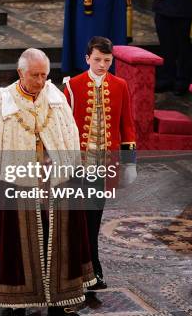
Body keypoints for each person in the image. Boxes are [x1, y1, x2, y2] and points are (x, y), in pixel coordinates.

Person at [0, 49, 95, 316]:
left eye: (45, 75)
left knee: (56, 242)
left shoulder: (56, 98)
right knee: (16, 245)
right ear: (21, 72)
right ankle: (16, 302)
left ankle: (58, 299)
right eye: (35, 75)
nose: (41, 81)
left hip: (53, 186)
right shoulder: (1, 102)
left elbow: (68, 138)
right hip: (15, 187)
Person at [63, 37, 137, 291]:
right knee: (76, 219)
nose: (102, 64)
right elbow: (64, 128)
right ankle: (74, 270)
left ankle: (94, 269)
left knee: (94, 220)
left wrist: (129, 163)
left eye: (107, 60)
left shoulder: (120, 85)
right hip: (76, 167)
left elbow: (127, 125)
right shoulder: (72, 86)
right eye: (97, 59)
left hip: (103, 168)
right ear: (87, 59)